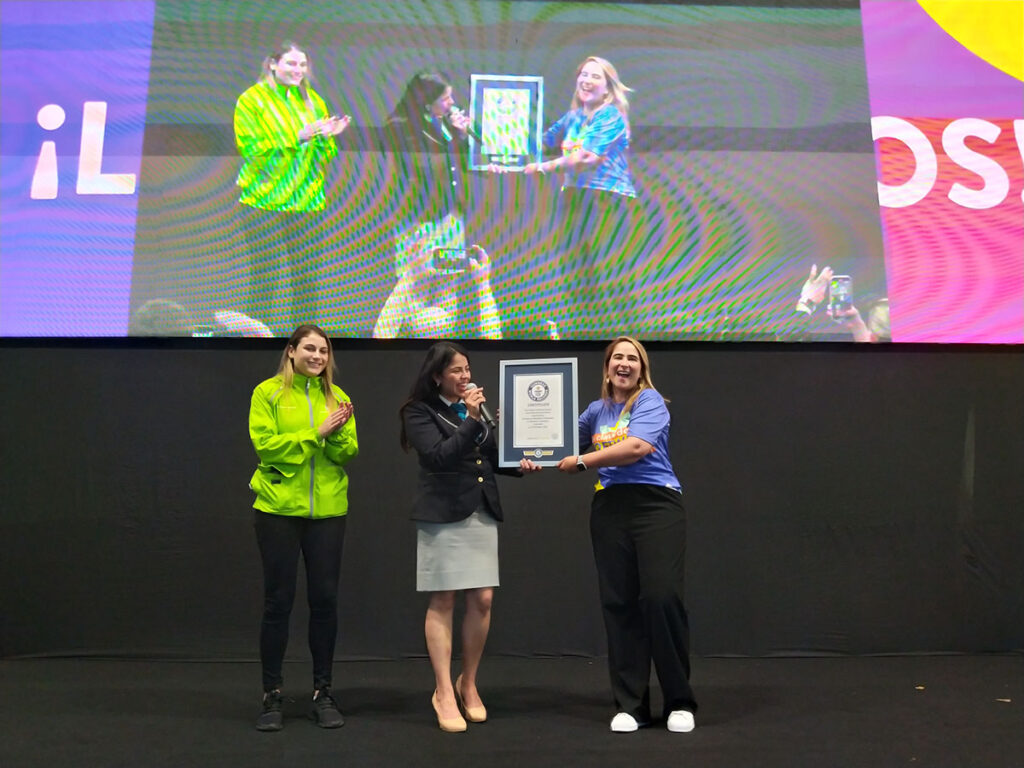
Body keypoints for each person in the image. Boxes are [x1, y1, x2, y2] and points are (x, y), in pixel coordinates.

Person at [557, 336, 698, 733]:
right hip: (610, 508)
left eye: (632, 358)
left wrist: (583, 461)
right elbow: (559, 440)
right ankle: (631, 705)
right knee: (619, 603)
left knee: (661, 596)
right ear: (607, 367)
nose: (624, 363)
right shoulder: (595, 411)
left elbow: (636, 446)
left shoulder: (650, 401)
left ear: (641, 368)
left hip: (656, 504)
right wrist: (526, 437)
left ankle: (679, 702)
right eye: (617, 357)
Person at [399, 342, 540, 732]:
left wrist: (522, 462)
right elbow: (439, 456)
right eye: (457, 370)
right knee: (443, 598)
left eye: (467, 369)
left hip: (480, 511)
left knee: (482, 598)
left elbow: (491, 457)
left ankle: (469, 683)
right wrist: (473, 420)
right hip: (443, 514)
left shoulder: (472, 412)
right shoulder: (419, 411)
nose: (465, 376)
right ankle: (443, 691)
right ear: (437, 376)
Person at [248, 324, 358, 731]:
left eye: (324, 351)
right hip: (277, 509)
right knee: (278, 601)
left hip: (328, 511)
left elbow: (348, 452)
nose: (318, 356)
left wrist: (336, 434)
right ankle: (271, 696)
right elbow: (267, 446)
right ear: (291, 351)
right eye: (310, 349)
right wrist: (317, 433)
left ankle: (323, 693)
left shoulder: (339, 397)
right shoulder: (268, 393)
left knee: (325, 601)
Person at [234, 42, 351, 335]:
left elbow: (324, 157)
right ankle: (257, 342)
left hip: (307, 203)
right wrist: (296, 136)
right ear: (273, 64)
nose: (297, 70)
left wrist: (328, 137)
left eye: (302, 65)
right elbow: (251, 149)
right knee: (265, 277)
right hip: (263, 201)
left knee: (307, 280)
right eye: (290, 64)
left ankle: (305, 345)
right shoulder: (252, 99)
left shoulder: (313, 101)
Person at [523, 56, 638, 337]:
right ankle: (582, 336)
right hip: (575, 197)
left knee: (607, 274)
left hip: (607, 201)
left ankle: (621, 340)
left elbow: (586, 157)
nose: (586, 80)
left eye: (595, 76)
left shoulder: (610, 115)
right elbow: (539, 143)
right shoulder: (573, 118)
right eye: (583, 75)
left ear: (608, 89)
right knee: (575, 272)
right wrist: (489, 134)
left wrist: (543, 167)